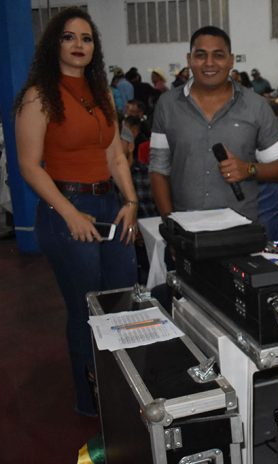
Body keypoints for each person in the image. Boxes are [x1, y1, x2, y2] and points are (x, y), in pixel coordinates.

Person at [14, 7, 138, 417]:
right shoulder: (39, 96)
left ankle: (123, 393)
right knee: (87, 309)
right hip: (66, 208)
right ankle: (92, 401)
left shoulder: (101, 94)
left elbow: (116, 157)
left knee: (121, 302)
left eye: (86, 38)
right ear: (55, 44)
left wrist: (131, 202)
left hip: (109, 205)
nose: (79, 45)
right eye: (69, 37)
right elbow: (29, 166)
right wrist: (68, 213)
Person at [149, 26, 278, 222]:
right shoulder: (167, 104)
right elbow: (158, 169)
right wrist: (170, 223)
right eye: (201, 55)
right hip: (186, 227)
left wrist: (248, 169)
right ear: (189, 59)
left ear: (231, 60)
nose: (209, 63)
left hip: (240, 228)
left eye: (218, 55)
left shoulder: (257, 106)